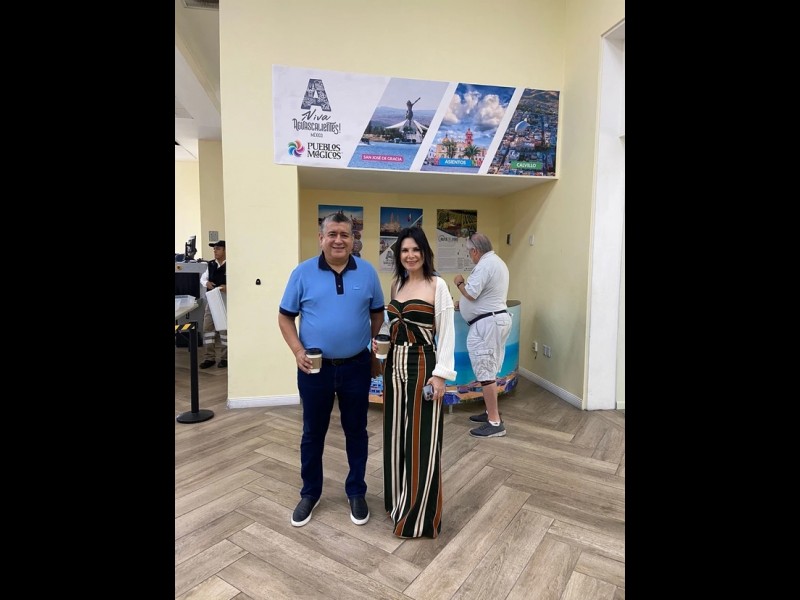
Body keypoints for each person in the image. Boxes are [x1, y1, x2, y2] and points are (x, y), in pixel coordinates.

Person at [278, 213, 385, 528]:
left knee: (357, 431)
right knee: (313, 433)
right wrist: (298, 351)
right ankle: (310, 493)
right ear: (321, 238)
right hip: (315, 369)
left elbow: (377, 315)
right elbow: (284, 317)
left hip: (356, 367)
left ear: (353, 240)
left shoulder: (367, 272)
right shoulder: (302, 273)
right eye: (333, 234)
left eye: (345, 235)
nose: (339, 240)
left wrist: (372, 351)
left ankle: (356, 491)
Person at [375, 226, 456, 538]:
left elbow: (447, 332)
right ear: (398, 255)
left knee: (422, 438)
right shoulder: (397, 283)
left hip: (424, 366)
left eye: (415, 250)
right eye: (404, 250)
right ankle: (398, 503)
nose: (410, 256)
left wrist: (441, 375)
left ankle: (418, 516)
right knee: (396, 434)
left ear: (424, 253)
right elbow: (391, 327)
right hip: (394, 366)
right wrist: (380, 344)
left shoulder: (438, 285)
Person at [453, 232, 512, 438]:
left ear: (476, 251)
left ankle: (495, 423)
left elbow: (471, 292)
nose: (470, 256)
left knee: (486, 372)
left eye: (469, 252)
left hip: (487, 325)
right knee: (489, 370)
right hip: (493, 321)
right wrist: (464, 305)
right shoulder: (496, 263)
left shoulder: (485, 265)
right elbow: (482, 296)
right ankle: (490, 412)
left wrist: (459, 283)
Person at [199, 240, 227, 369]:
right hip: (212, 300)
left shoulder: (231, 264)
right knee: (207, 328)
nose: (215, 251)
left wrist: (227, 287)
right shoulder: (210, 264)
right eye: (214, 248)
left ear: (225, 250)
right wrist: (207, 283)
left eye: (218, 248)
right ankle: (209, 358)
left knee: (224, 331)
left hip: (225, 301)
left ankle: (225, 358)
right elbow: (203, 278)